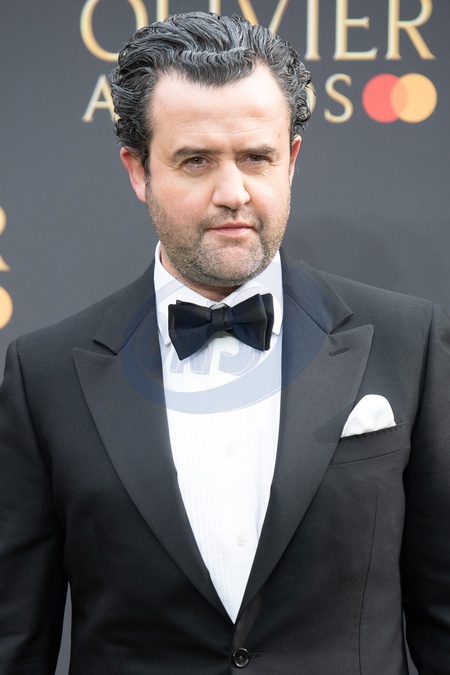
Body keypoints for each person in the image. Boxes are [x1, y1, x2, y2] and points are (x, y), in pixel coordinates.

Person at [0, 11, 449, 675]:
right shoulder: (44, 376)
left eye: (256, 157)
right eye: (196, 161)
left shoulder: (409, 343)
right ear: (138, 170)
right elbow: (14, 641)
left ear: (291, 160)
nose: (233, 192)